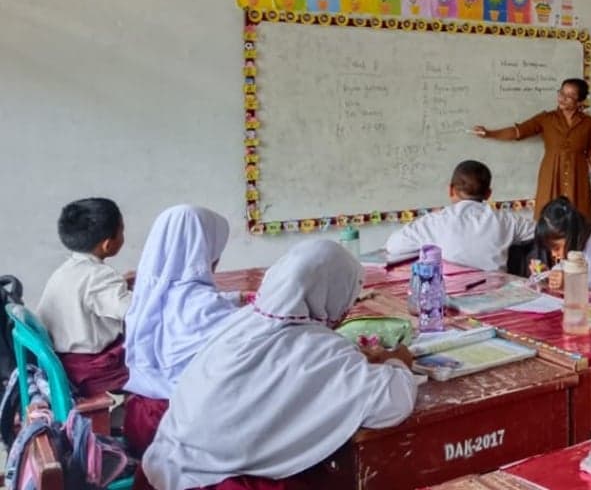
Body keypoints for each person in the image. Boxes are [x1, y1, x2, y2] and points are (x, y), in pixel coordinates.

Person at [139, 240, 418, 490]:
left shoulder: (241, 321)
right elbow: (392, 402)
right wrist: (398, 361)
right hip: (221, 484)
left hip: (160, 470)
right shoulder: (319, 348)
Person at [122, 205, 243, 456]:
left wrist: (234, 298)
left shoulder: (146, 293)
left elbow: (182, 307)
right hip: (182, 430)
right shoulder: (205, 306)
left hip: (139, 419)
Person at [473, 78, 591, 222]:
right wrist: (489, 133)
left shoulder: (588, 122)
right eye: (561, 93)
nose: (562, 98)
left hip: (578, 178)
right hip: (551, 175)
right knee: (548, 219)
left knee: (578, 220)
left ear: (580, 101)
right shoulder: (546, 119)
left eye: (570, 96)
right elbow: (518, 132)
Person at [36, 198, 132, 396]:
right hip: (93, 372)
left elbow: (88, 295)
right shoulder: (100, 276)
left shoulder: (67, 270)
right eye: (122, 230)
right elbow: (133, 311)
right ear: (107, 245)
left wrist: (120, 284)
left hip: (65, 363)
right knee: (156, 369)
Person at [384, 160, 536, 271]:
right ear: (488, 194)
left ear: (451, 190)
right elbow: (540, 230)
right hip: (499, 296)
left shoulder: (434, 221)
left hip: (451, 298)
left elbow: (393, 246)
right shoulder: (506, 220)